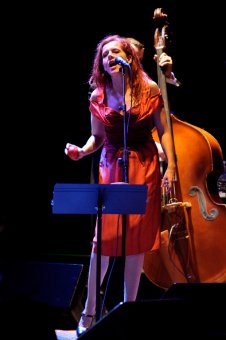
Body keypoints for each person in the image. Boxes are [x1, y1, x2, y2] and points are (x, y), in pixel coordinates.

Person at [64, 34, 176, 336]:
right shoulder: (98, 96)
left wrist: (172, 167)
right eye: (104, 54)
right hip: (112, 167)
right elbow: (97, 138)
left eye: (116, 52)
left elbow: (164, 130)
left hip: (145, 166)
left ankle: (129, 310)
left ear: (129, 57)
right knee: (103, 241)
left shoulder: (149, 90)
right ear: (100, 63)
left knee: (136, 242)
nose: (110, 57)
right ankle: (87, 314)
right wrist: (82, 151)